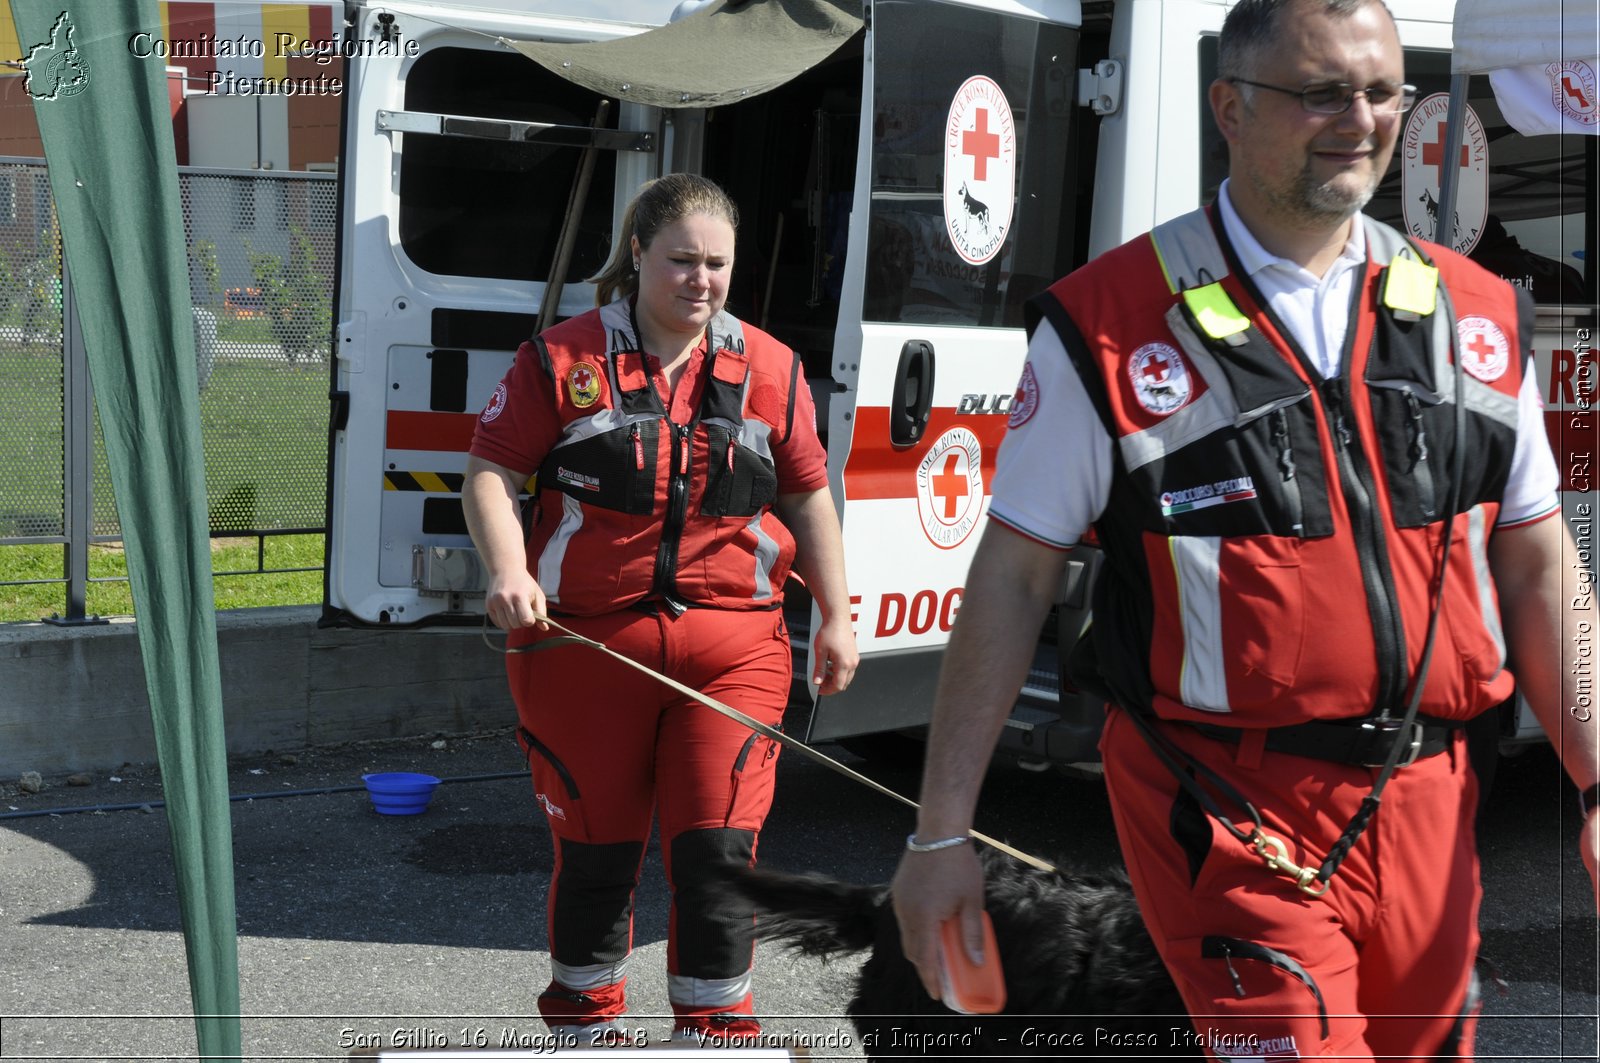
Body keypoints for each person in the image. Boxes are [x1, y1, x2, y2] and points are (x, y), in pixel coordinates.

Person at [891, 1, 1599, 1059]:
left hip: (1432, 801)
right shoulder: (1108, 322)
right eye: (1319, 92)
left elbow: (1540, 565)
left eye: (1380, 92)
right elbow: (1012, 580)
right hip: (1228, 810)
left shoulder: (1476, 313)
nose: (1358, 121)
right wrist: (940, 832)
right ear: (1227, 106)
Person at [463, 173, 858, 1042]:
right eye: (681, 260)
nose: (701, 281)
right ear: (638, 253)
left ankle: (715, 1036)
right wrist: (505, 569)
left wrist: (837, 612)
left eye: (717, 263)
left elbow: (809, 494)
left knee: (718, 852)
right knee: (598, 852)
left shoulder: (770, 368)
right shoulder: (558, 360)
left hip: (736, 652)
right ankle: (584, 1024)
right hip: (581, 648)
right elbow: (489, 473)